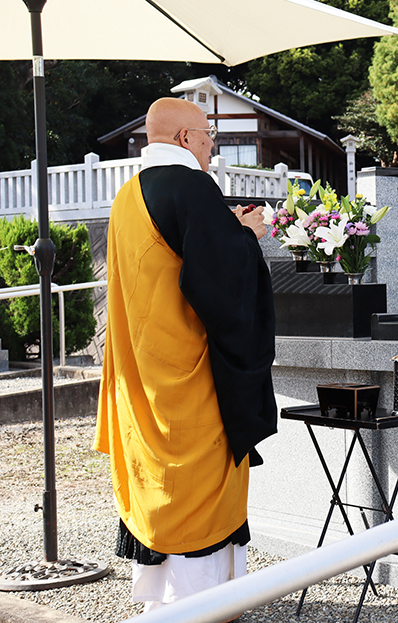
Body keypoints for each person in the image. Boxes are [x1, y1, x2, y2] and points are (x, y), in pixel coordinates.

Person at [95, 97, 277, 613]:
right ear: (182, 139)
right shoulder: (192, 187)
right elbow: (220, 288)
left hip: (144, 379)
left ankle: (161, 605)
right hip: (190, 383)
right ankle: (201, 608)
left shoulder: (127, 195)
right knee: (196, 501)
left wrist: (227, 232)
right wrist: (247, 235)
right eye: (207, 132)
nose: (212, 142)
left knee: (159, 494)